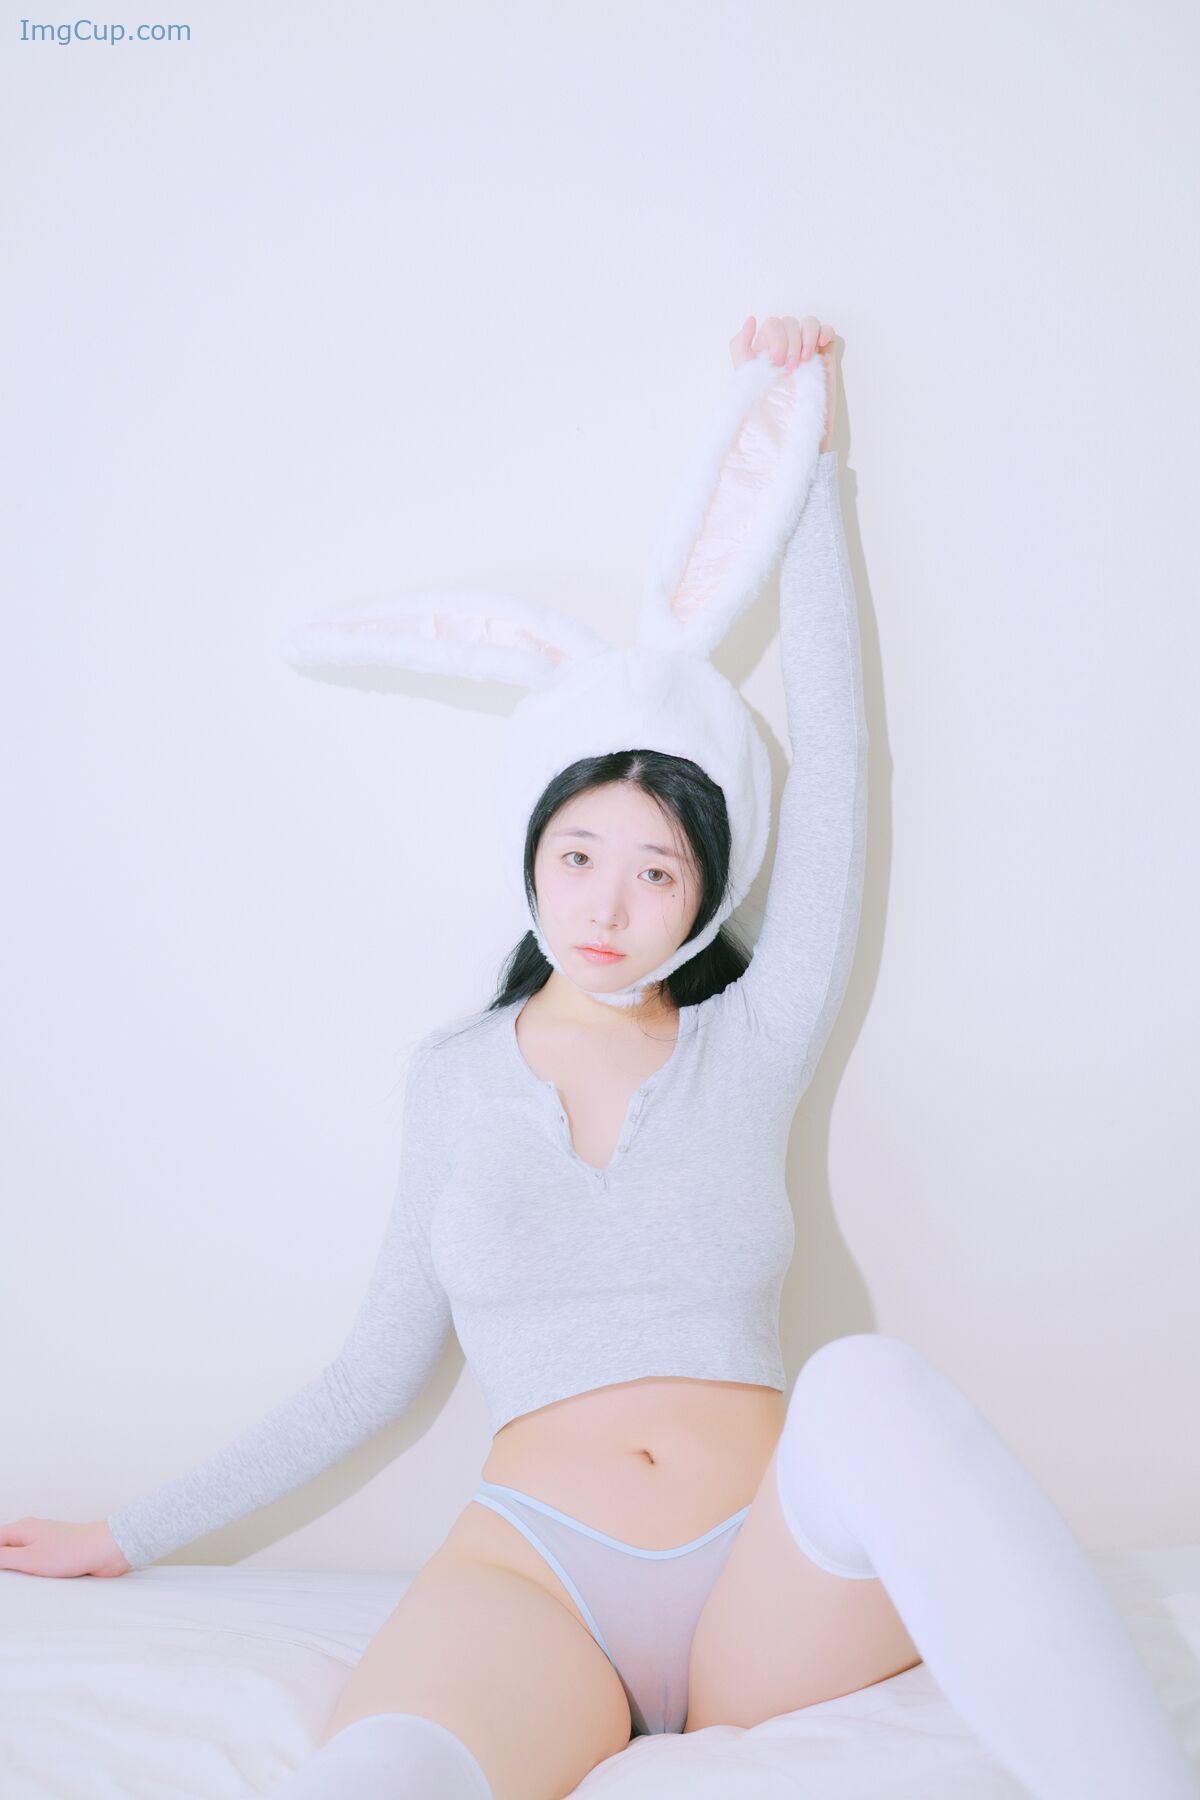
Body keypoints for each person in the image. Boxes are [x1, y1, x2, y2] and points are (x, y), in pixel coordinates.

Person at [3, 316, 1194, 1800]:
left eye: (655, 870)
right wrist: (129, 1533)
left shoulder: (751, 1039)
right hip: (538, 1582)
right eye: (578, 856)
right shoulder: (453, 1079)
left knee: (870, 1387)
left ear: (704, 892)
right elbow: (371, 1373)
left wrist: (803, 466)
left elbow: (836, 770)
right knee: (381, 1773)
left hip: (768, 1580)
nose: (609, 908)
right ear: (531, 858)